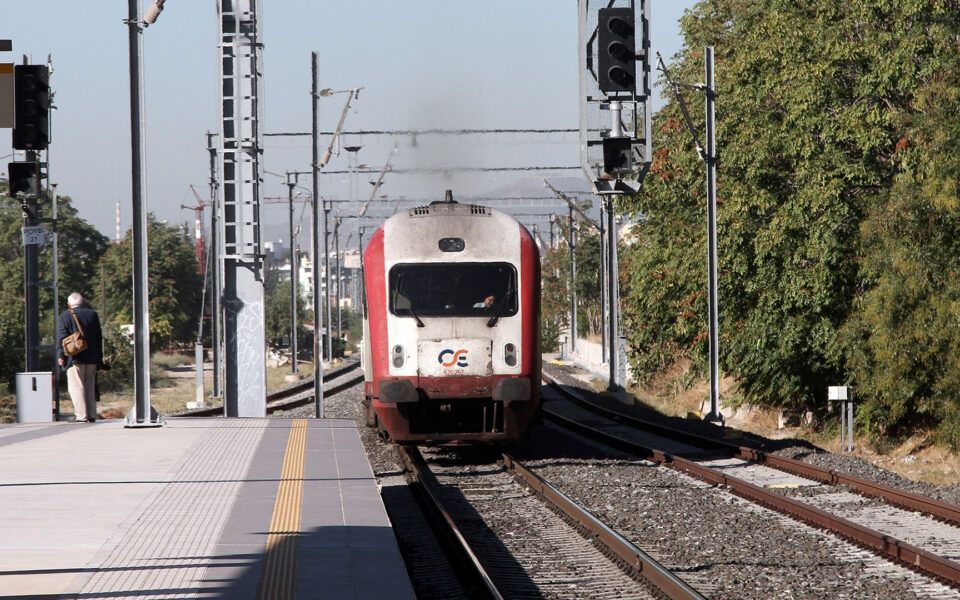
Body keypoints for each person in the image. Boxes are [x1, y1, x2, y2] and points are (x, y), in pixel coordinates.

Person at [56, 292, 104, 423]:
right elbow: (98, 337)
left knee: (76, 387)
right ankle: (92, 415)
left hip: (75, 357)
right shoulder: (92, 315)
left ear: (69, 304)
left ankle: (81, 415)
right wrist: (99, 357)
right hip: (92, 357)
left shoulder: (66, 315)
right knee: (89, 386)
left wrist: (61, 355)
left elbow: (62, 336)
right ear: (82, 303)